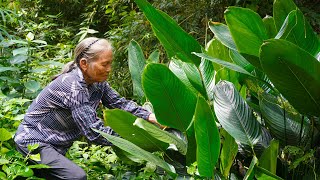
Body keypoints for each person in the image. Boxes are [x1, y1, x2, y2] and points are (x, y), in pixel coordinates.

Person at [14, 37, 160, 180]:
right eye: (104, 64)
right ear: (84, 64)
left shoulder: (98, 82)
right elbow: (93, 131)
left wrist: (149, 117)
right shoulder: (73, 87)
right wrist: (138, 136)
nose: (109, 69)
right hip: (33, 142)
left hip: (55, 145)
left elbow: (119, 103)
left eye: (110, 63)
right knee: (77, 176)